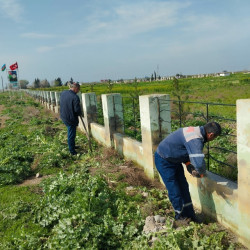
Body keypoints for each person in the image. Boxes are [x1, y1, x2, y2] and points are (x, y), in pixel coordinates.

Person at [154, 122, 221, 223]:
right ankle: (179, 217)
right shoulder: (195, 139)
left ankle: (190, 215)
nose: (212, 140)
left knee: (184, 188)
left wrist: (188, 163)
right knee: (175, 191)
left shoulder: (196, 131)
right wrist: (201, 173)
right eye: (214, 138)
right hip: (164, 161)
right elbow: (199, 164)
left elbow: (182, 149)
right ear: (211, 135)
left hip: (174, 160)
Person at [60, 82, 82, 155]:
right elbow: (77, 110)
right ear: (75, 88)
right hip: (70, 118)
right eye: (78, 90)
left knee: (71, 133)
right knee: (71, 135)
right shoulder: (75, 97)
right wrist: (80, 113)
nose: (78, 91)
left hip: (64, 116)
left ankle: (72, 145)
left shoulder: (64, 93)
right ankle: (72, 151)